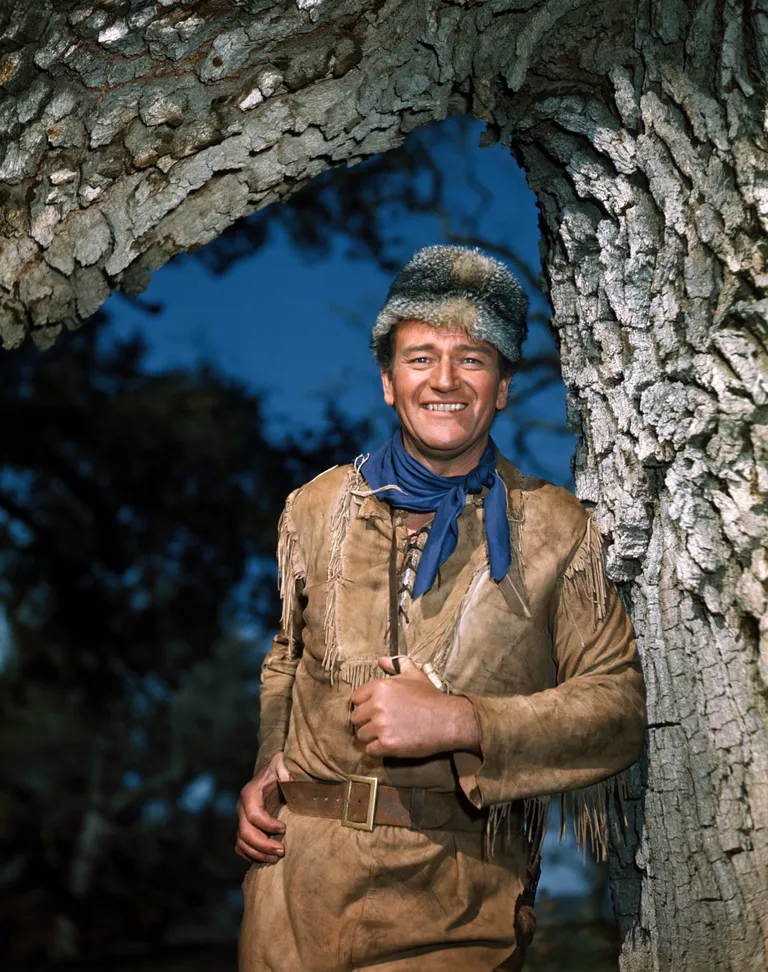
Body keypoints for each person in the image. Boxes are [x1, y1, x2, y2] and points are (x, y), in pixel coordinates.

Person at [236, 245, 646, 972]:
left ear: (505, 386)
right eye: (421, 357)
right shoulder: (314, 505)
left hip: (455, 909)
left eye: (474, 359)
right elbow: (286, 658)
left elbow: (618, 711)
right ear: (390, 383)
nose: (445, 381)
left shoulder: (558, 530)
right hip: (289, 901)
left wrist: (462, 720)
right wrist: (268, 765)